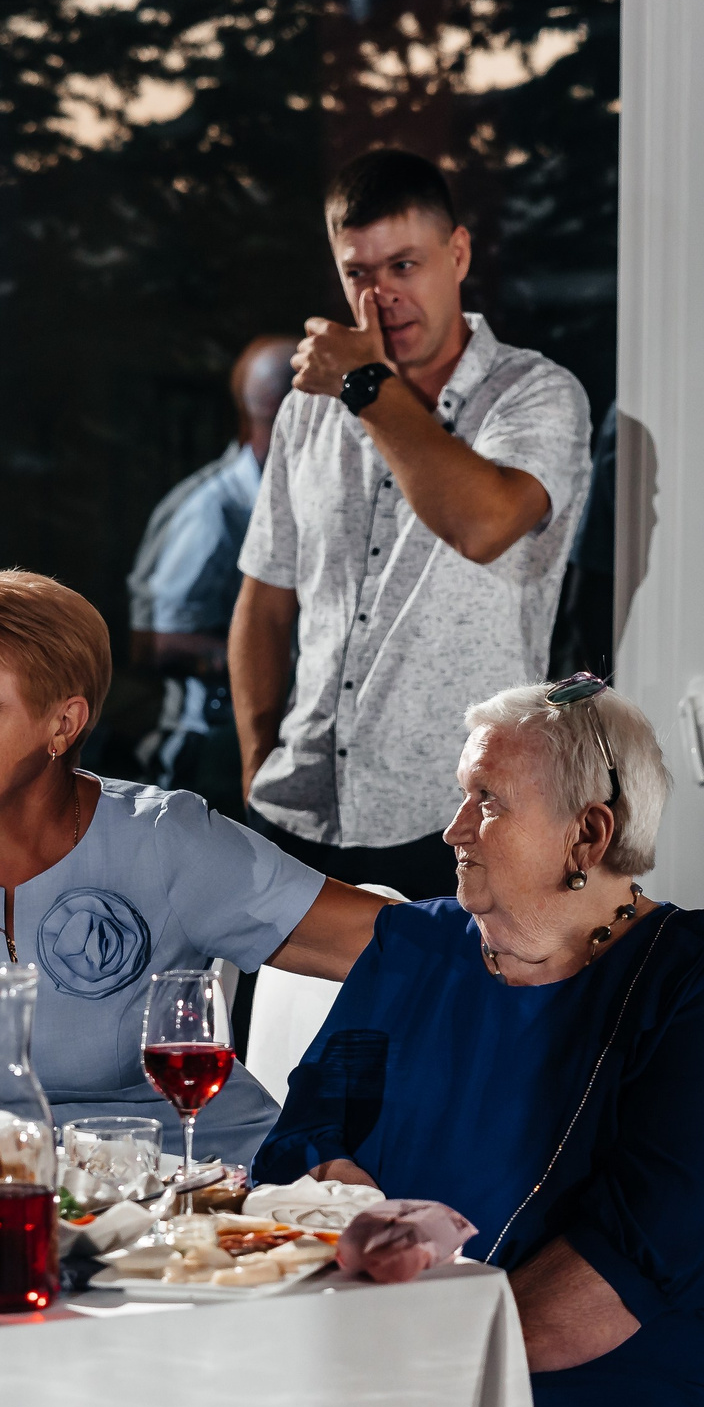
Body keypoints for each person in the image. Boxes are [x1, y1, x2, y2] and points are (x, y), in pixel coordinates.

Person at [254, 679, 704, 1407]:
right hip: (377, 1340)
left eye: (487, 802)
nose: (455, 827)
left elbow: (633, 1258)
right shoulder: (418, 946)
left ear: (589, 835)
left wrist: (417, 1354)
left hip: (594, 1371)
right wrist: (339, 1197)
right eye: (464, 795)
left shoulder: (691, 980)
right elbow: (303, 1137)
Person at [0, 570, 392, 1162]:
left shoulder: (165, 838)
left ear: (63, 723)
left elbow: (395, 945)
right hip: (7, 1196)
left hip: (205, 1189)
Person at [232, 147, 592, 900]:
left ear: (457, 254)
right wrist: (259, 763)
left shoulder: (535, 395)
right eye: (358, 273)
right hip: (297, 816)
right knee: (279, 1024)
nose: (381, 295)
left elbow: (483, 524)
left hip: (459, 823)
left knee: (450, 1022)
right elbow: (264, 601)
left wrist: (366, 385)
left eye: (404, 266)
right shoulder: (308, 407)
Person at [126, 336, 296, 819]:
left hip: (262, 741)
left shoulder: (283, 497)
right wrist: (258, 656)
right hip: (205, 754)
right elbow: (153, 643)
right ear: (275, 406)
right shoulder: (212, 511)